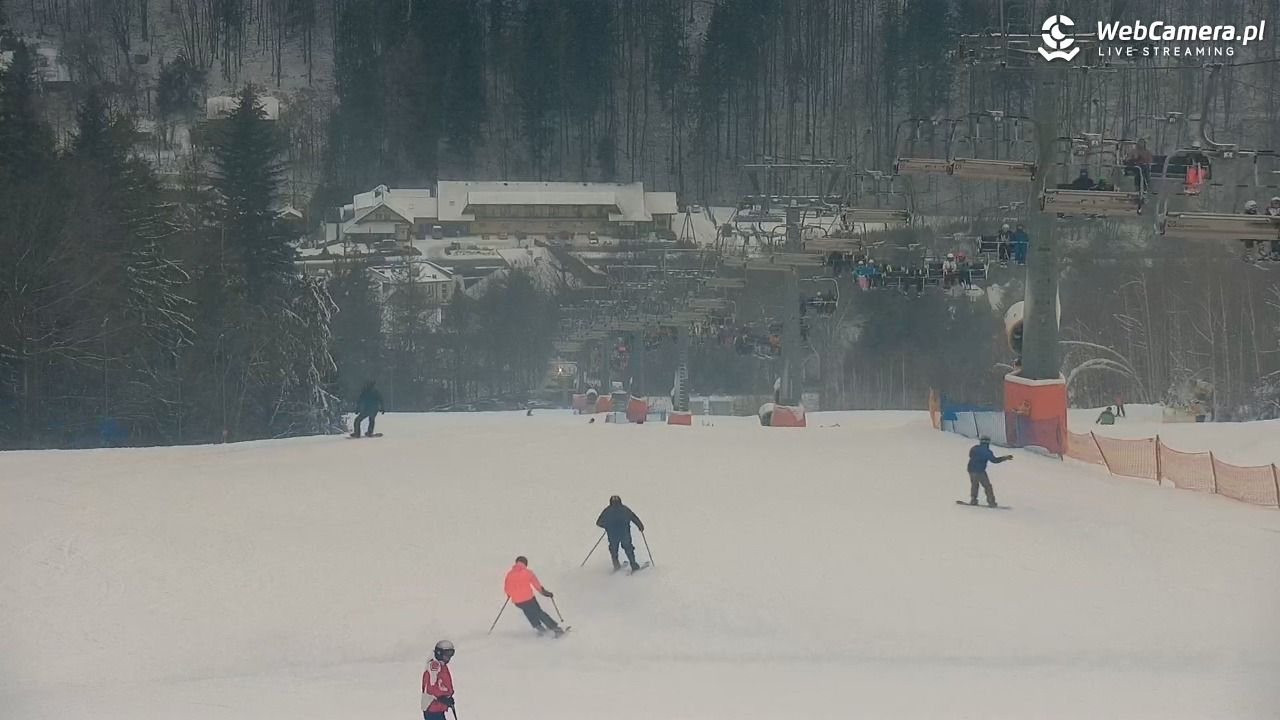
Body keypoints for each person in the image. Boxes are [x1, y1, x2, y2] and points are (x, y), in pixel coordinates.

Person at [504, 556, 564, 636]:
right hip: (529, 599)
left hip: (518, 602)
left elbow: (507, 589)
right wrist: (546, 593)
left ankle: (540, 629)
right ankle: (556, 629)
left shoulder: (509, 574)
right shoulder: (528, 572)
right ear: (525, 563)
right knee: (539, 613)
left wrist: (510, 594)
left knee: (528, 612)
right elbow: (537, 586)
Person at [596, 495, 646, 572]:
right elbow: (634, 518)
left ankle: (616, 566)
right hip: (625, 534)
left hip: (612, 535)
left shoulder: (607, 511)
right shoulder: (625, 509)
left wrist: (607, 526)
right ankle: (633, 565)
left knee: (613, 550)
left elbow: (599, 523)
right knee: (628, 548)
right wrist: (640, 526)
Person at [967, 435, 1012, 507]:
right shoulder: (988, 452)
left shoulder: (974, 448)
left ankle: (973, 499)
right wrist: (1005, 458)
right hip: (980, 470)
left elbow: (970, 455)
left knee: (974, 484)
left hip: (971, 469)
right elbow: (994, 460)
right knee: (987, 486)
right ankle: (991, 502)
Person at [421, 640, 455, 720]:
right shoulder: (434, 665)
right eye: (447, 654)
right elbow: (431, 687)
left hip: (437, 706)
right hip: (432, 706)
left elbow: (445, 683)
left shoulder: (442, 664)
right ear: (439, 653)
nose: (449, 657)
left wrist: (448, 695)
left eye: (451, 654)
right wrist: (442, 697)